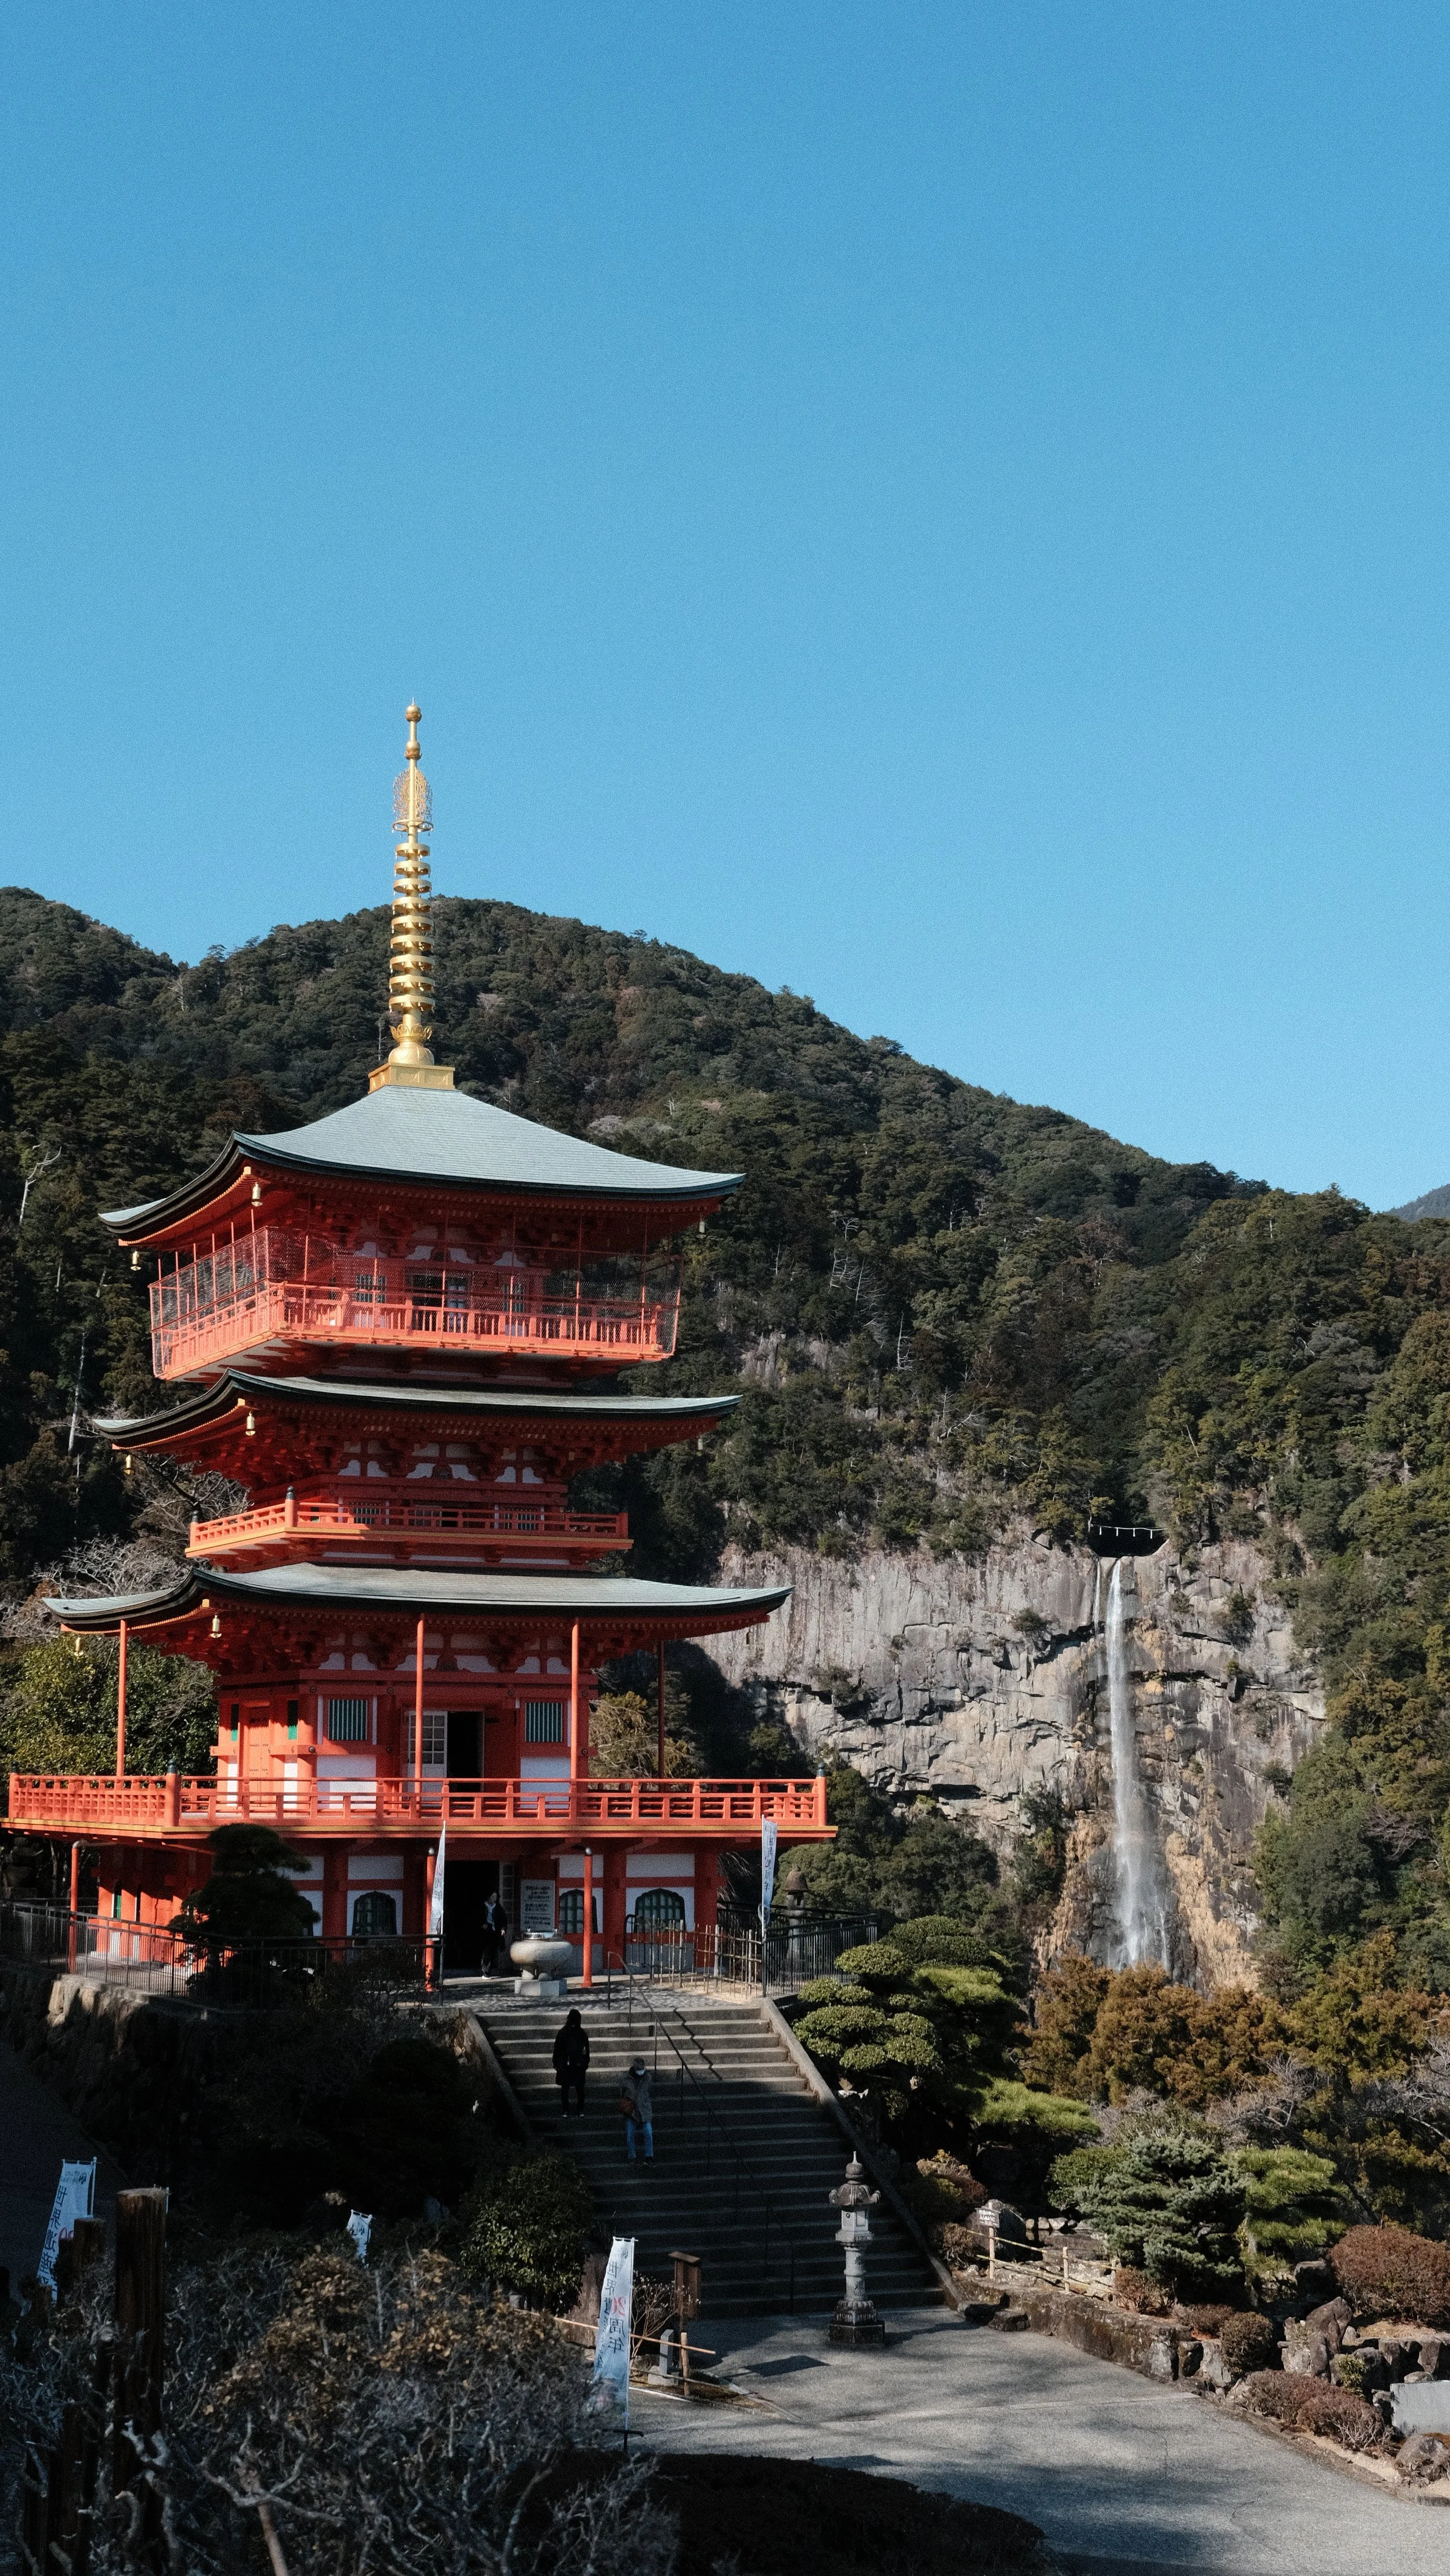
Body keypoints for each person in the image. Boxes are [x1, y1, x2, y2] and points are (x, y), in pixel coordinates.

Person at [552, 2007, 590, 2117]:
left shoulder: (563, 2033)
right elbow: (586, 2050)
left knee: (565, 2088)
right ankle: (580, 2110)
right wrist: (586, 2063)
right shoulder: (582, 2033)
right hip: (578, 2064)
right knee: (580, 2088)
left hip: (565, 2064)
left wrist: (555, 2062)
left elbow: (557, 2049)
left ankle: (565, 2110)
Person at [620, 2056, 654, 2164]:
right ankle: (632, 2157)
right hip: (632, 2110)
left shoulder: (647, 2077)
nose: (641, 2072)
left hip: (644, 2109)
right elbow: (622, 2092)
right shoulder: (626, 2078)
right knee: (630, 2135)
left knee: (648, 2133)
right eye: (639, 2070)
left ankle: (649, 2157)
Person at [483, 1892, 509, 1977]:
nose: (494, 1898)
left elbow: (503, 1919)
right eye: (493, 1896)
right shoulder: (484, 1906)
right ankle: (485, 1970)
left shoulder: (498, 1907)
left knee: (493, 1951)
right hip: (486, 1932)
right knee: (486, 1951)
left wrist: (503, 1928)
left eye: (496, 1897)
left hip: (495, 1931)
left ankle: (489, 1970)